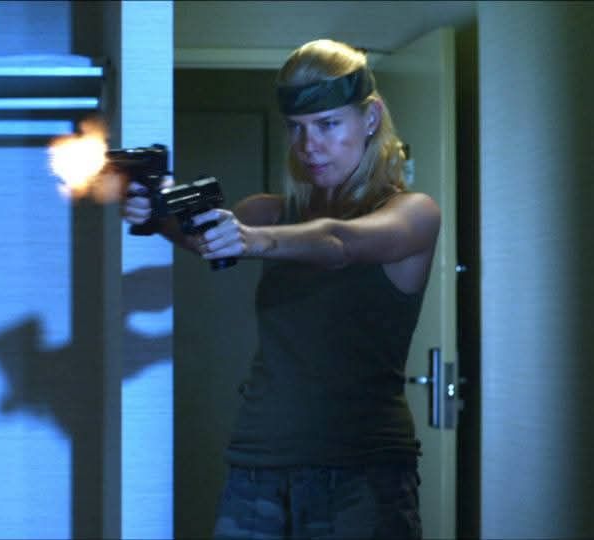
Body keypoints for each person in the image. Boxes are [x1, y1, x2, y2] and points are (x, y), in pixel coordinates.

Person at [123, 39, 440, 538]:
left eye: (328, 124)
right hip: (256, 466)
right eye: (296, 127)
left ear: (371, 118)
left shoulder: (413, 213)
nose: (308, 145)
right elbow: (196, 237)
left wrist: (254, 240)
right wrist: (152, 209)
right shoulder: (269, 211)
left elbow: (339, 242)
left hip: (361, 471)